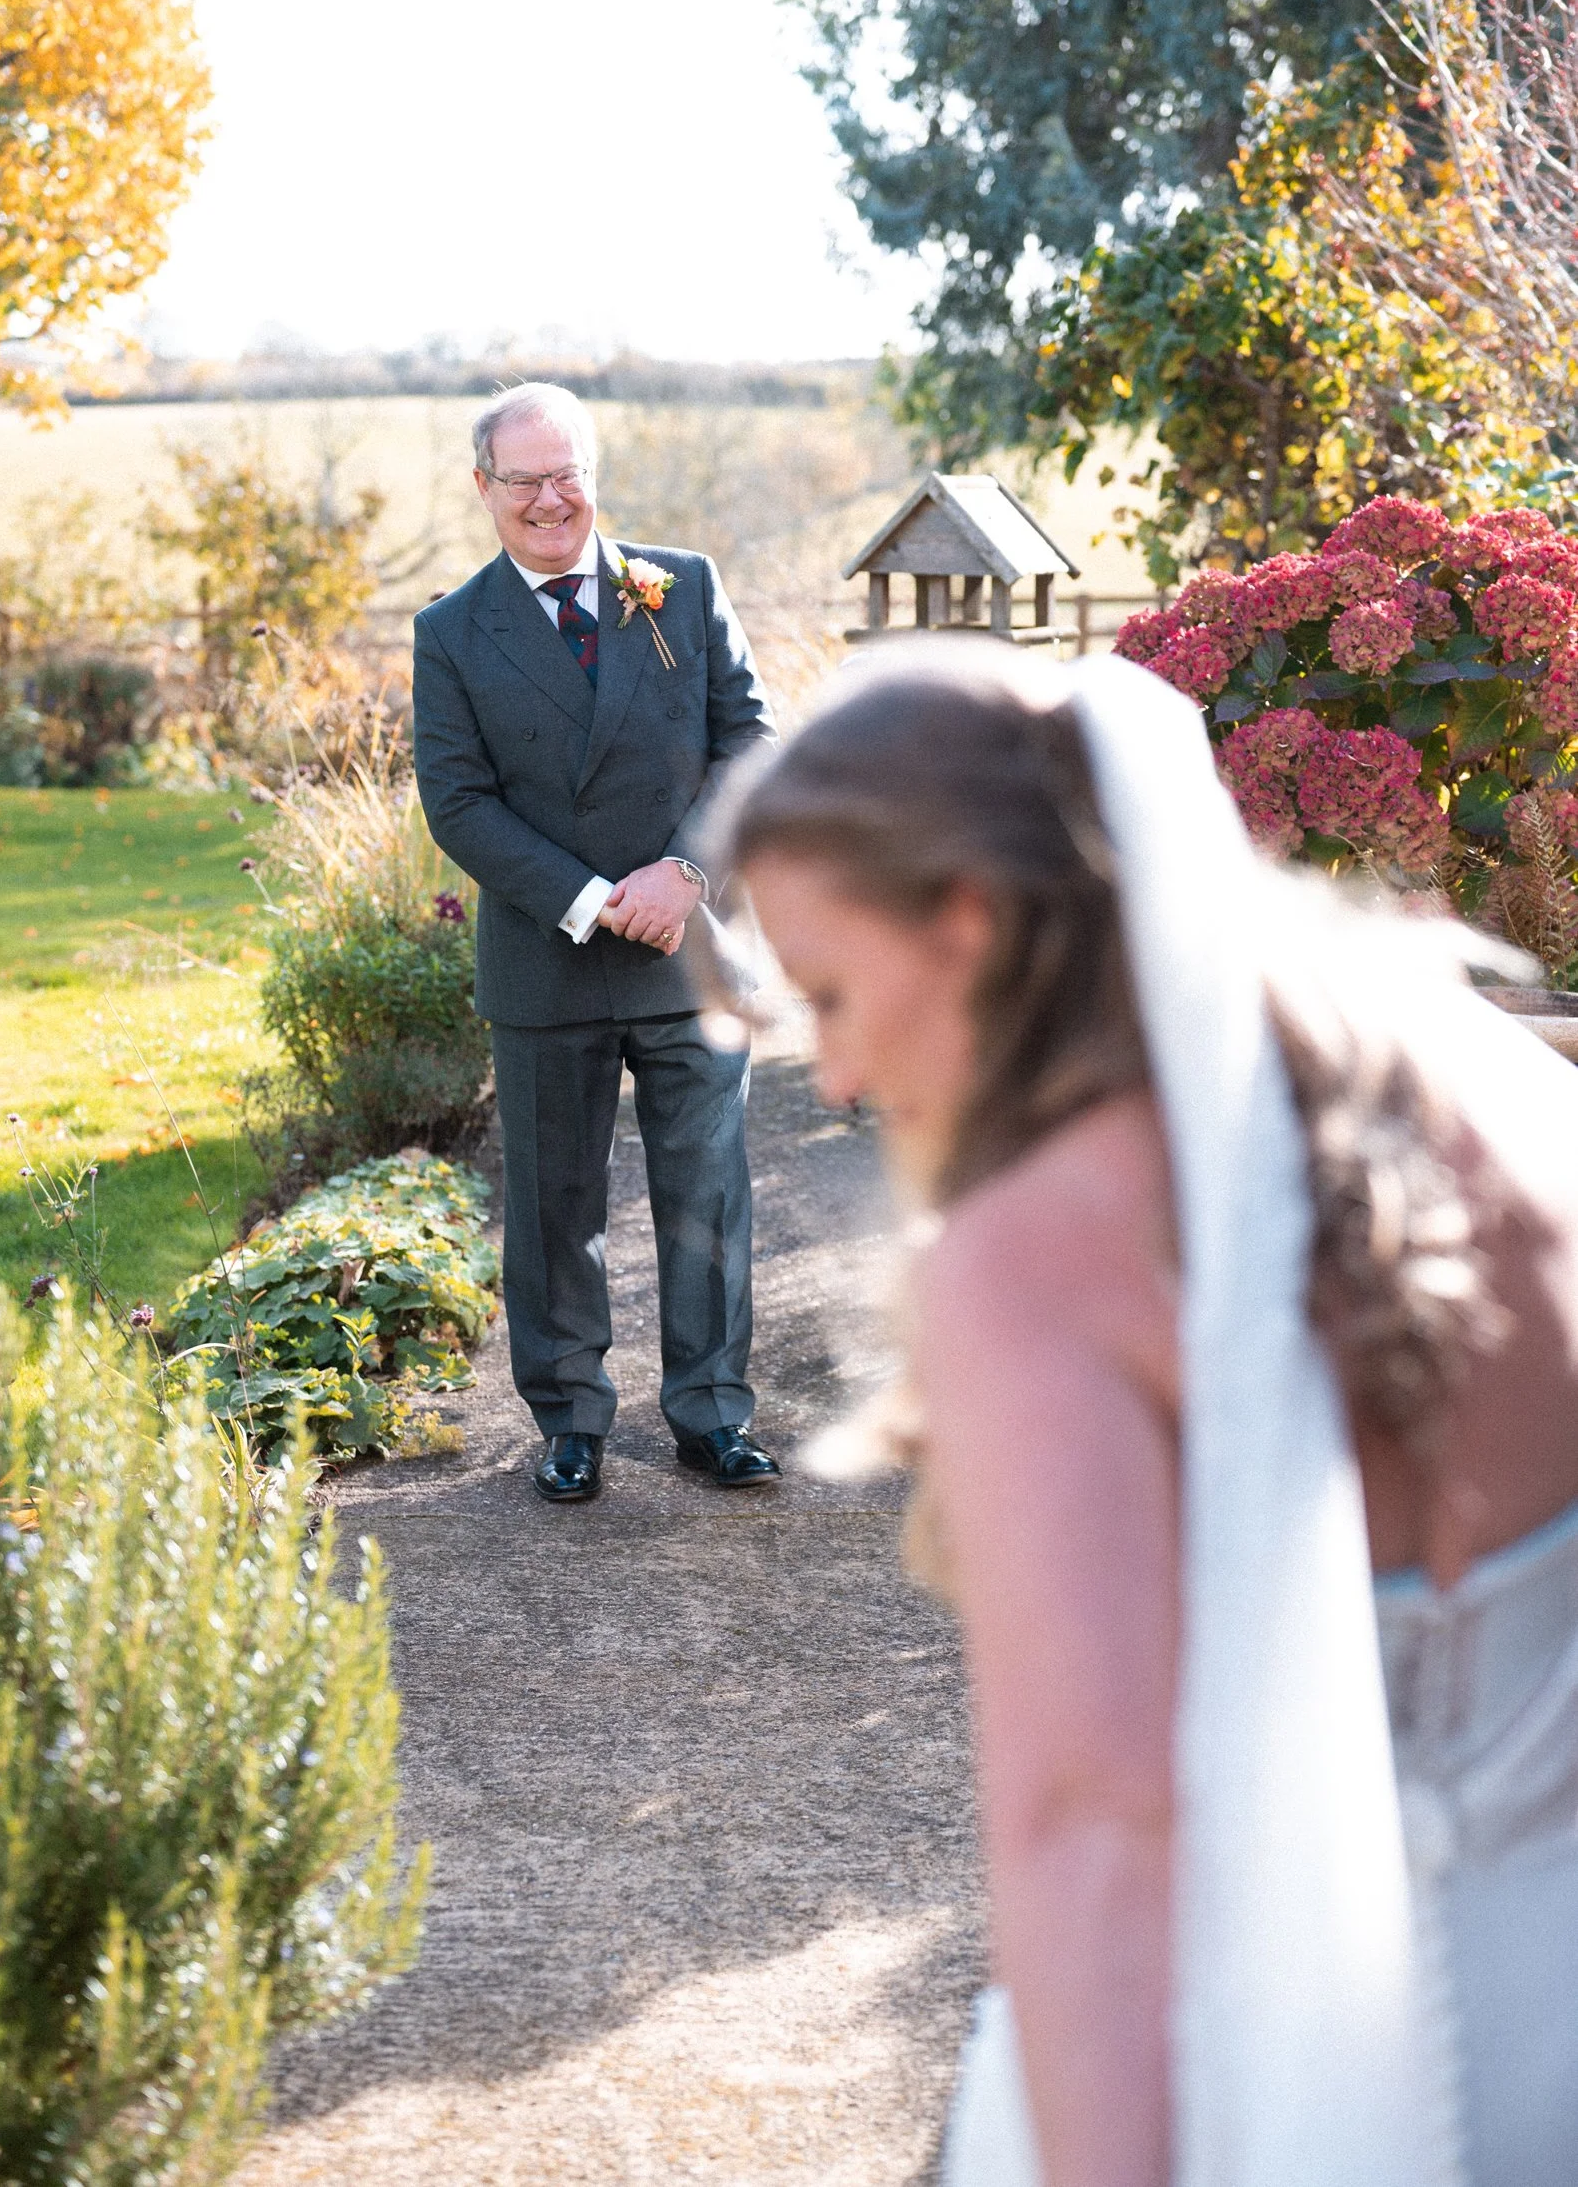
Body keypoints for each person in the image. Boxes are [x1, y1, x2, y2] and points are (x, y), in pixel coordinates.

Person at [712, 641, 1578, 2187]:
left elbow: (1093, 1827)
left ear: (966, 922)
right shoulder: (1479, 1078)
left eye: (830, 994)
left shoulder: (1034, 1255)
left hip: (1294, 2087)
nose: (831, 1073)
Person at [412, 382, 780, 1503]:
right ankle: (568, 1422)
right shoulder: (450, 631)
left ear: (592, 471)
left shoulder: (684, 586)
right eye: (521, 479)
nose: (548, 498)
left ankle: (711, 1417)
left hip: (690, 950)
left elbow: (752, 744)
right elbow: (458, 802)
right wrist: (585, 896)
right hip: (546, 956)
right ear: (484, 490)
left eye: (565, 472)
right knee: (554, 1209)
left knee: (706, 1192)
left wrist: (686, 872)